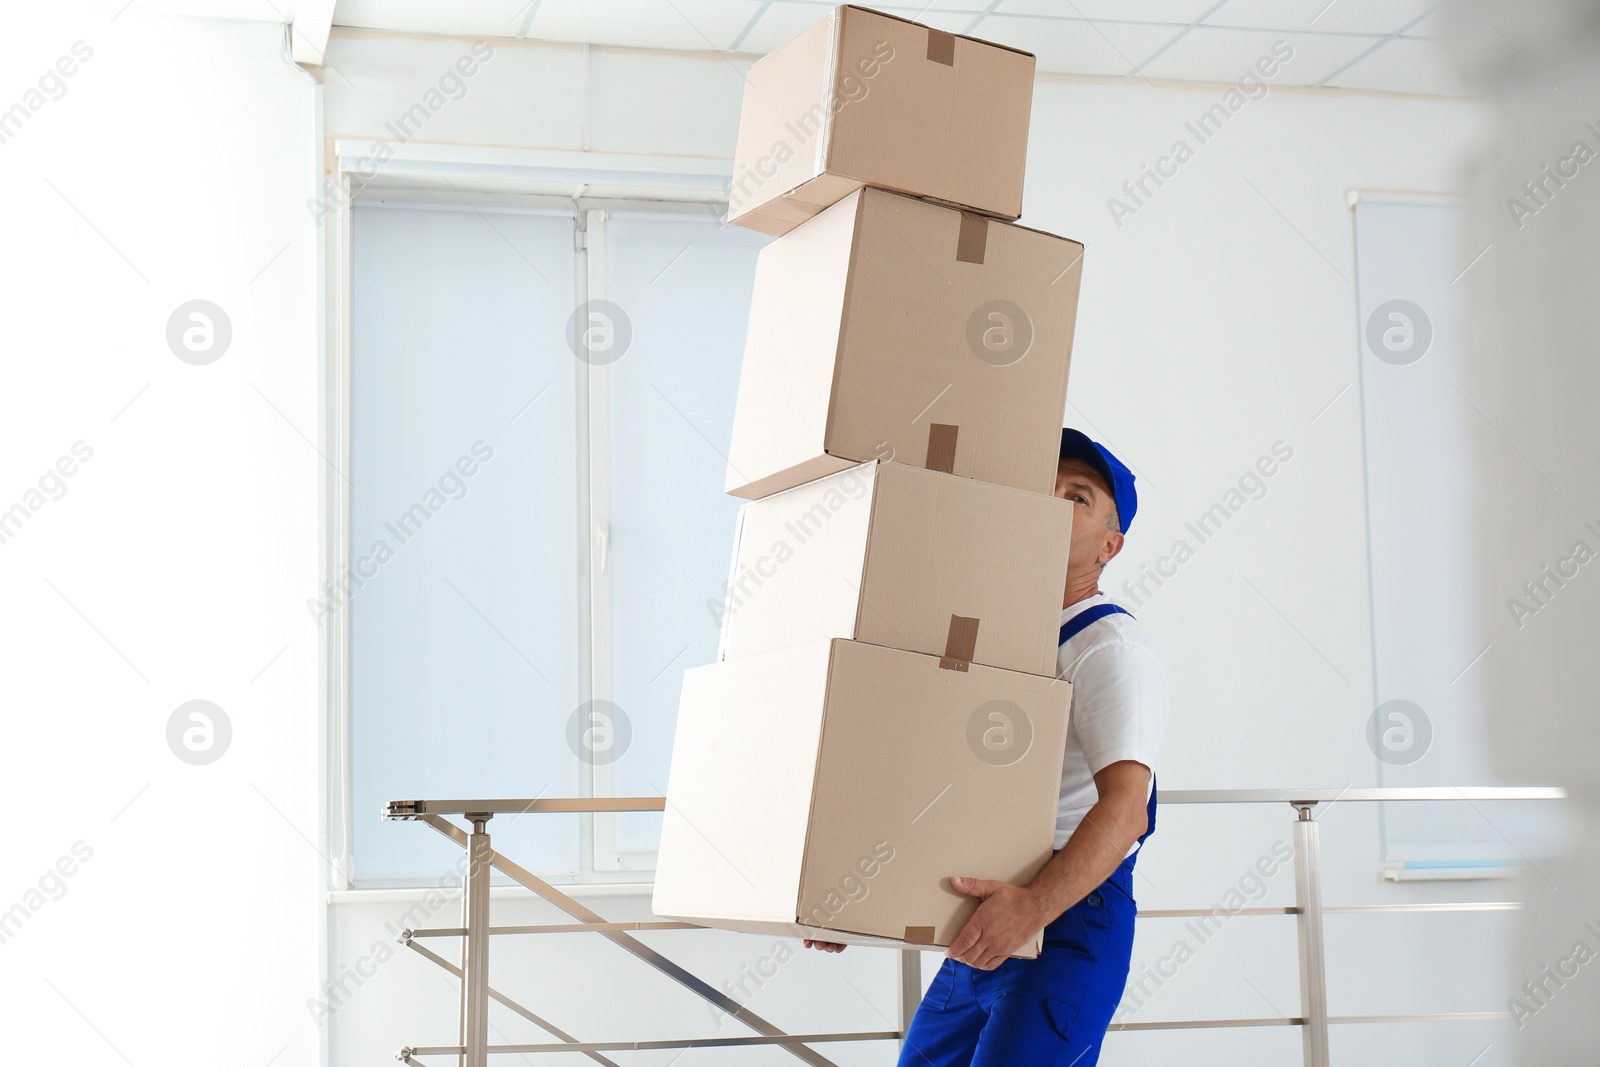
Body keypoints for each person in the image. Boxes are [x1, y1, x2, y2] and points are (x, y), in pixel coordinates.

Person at [803, 427, 1170, 1066]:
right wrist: (862, 904)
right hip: (991, 911)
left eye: (1077, 497)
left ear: (1109, 547)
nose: (1052, 501)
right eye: (1043, 488)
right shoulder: (1000, 640)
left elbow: (1126, 809)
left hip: (1067, 917)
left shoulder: (1109, 651)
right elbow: (949, 787)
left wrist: (1033, 909)